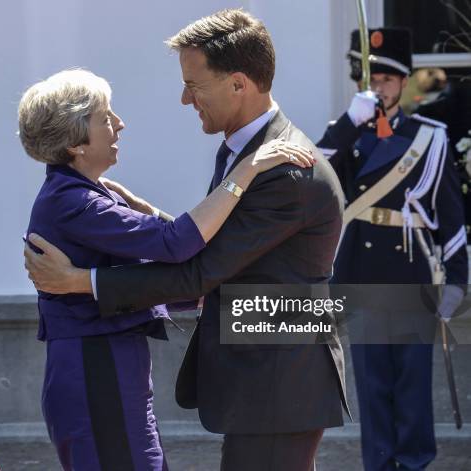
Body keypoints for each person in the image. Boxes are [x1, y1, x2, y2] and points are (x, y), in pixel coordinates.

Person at [25, 10, 349, 471]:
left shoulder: (284, 169)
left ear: (238, 84)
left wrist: (83, 282)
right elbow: (214, 251)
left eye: (194, 85)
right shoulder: (249, 153)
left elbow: (200, 272)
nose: (184, 98)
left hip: (280, 379)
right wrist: (152, 217)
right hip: (264, 375)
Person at [317, 28, 468, 470]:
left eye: (387, 79)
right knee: (373, 384)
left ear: (404, 83)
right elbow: (309, 180)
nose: (379, 86)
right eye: (372, 78)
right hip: (361, 273)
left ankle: (415, 462)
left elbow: (450, 213)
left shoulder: (430, 137)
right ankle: (380, 464)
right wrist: (348, 123)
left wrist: (457, 280)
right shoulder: (345, 134)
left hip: (411, 274)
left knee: (412, 384)